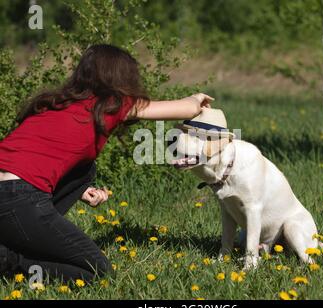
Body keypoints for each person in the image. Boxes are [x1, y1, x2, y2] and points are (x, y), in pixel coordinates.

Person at [0, 44, 213, 283]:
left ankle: (15, 246)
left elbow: (34, 156)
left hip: (13, 195)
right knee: (97, 271)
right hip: (20, 199)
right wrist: (197, 99)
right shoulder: (112, 104)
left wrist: (80, 190)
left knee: (86, 169)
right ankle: (9, 262)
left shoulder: (55, 103)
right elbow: (184, 109)